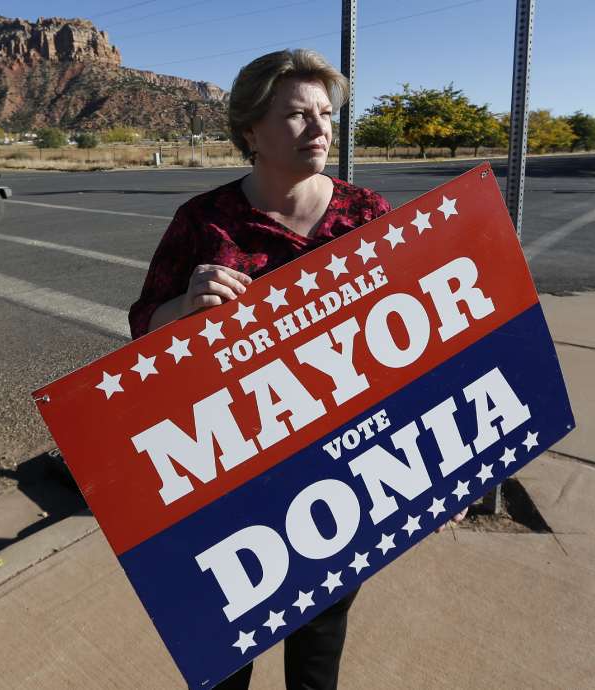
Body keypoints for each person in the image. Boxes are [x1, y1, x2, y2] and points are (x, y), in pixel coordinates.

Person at [127, 48, 389, 689]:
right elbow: (142, 326)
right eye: (297, 115)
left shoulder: (368, 216)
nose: (320, 129)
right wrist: (184, 307)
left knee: (319, 644)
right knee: (226, 646)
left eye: (326, 113)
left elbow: (422, 346)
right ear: (250, 131)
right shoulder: (204, 220)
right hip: (233, 465)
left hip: (339, 462)